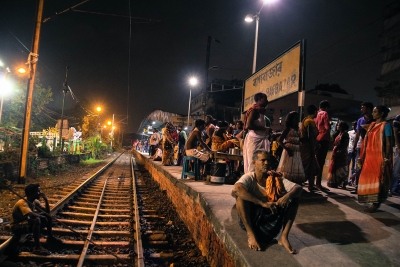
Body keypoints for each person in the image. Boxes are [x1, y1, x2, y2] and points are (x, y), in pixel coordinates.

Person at [232, 150, 302, 253]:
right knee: (240, 199)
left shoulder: (275, 178)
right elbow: (237, 189)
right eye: (263, 160)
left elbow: (298, 188)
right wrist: (262, 203)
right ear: (254, 163)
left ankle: (283, 237)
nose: (266, 163)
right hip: (253, 221)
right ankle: (251, 235)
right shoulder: (249, 177)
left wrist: (287, 196)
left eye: (268, 160)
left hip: (270, 221)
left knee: (294, 199)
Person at [10, 184, 62, 255]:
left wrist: (46, 200)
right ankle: (37, 247)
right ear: (32, 193)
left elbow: (47, 212)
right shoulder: (22, 202)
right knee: (37, 219)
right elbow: (31, 214)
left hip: (26, 222)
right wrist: (42, 217)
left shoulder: (35, 201)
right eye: (38, 191)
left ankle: (50, 237)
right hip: (16, 226)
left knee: (47, 216)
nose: (40, 193)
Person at [358, 105, 392, 213]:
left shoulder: (386, 126)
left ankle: (375, 204)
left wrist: (386, 158)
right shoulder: (372, 125)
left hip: (379, 157)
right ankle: (372, 201)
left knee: (378, 179)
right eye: (373, 111)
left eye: (375, 111)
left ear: (381, 114)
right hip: (369, 157)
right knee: (367, 178)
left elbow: (388, 143)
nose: (373, 113)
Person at [243, 92, 270, 173]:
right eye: (265, 99)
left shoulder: (261, 112)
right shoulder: (254, 111)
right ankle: (250, 183)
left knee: (261, 162)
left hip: (260, 139)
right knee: (253, 162)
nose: (267, 101)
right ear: (260, 100)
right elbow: (248, 126)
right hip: (254, 140)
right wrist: (264, 128)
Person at [350, 102, 374, 194]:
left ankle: (367, 187)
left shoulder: (374, 120)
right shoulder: (360, 120)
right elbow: (357, 135)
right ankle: (357, 187)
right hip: (361, 147)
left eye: (363, 108)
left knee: (369, 168)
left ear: (368, 108)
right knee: (358, 167)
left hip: (371, 147)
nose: (361, 110)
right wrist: (355, 146)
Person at [276, 111, 306, 184]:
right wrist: (286, 149)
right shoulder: (288, 129)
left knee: (295, 166)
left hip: (297, 150)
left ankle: (294, 183)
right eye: (295, 118)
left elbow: (299, 139)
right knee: (288, 167)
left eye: (297, 118)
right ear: (291, 119)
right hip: (289, 150)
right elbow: (279, 140)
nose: (296, 120)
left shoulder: (298, 129)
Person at [299, 105, 320, 191]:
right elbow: (310, 136)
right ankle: (309, 185)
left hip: (303, 146)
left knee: (309, 165)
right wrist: (313, 147)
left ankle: (310, 185)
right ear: (315, 111)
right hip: (308, 147)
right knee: (308, 166)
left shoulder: (304, 120)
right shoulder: (310, 121)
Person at [327, 121, 350, 189]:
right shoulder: (338, 134)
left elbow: (345, 145)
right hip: (336, 152)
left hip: (341, 153)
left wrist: (338, 151)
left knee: (342, 168)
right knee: (336, 167)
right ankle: (336, 182)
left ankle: (343, 183)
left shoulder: (345, 134)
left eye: (338, 126)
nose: (337, 127)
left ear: (342, 127)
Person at [314, 100, 331, 191]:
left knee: (315, 160)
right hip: (323, 139)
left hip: (316, 139)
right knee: (321, 162)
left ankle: (312, 183)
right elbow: (327, 127)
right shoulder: (325, 114)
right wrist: (330, 124)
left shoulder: (316, 114)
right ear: (327, 107)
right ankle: (318, 183)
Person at [391, 115, 400, 196]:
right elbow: (395, 133)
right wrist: (398, 146)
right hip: (399, 146)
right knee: (396, 169)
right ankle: (393, 188)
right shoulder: (398, 118)